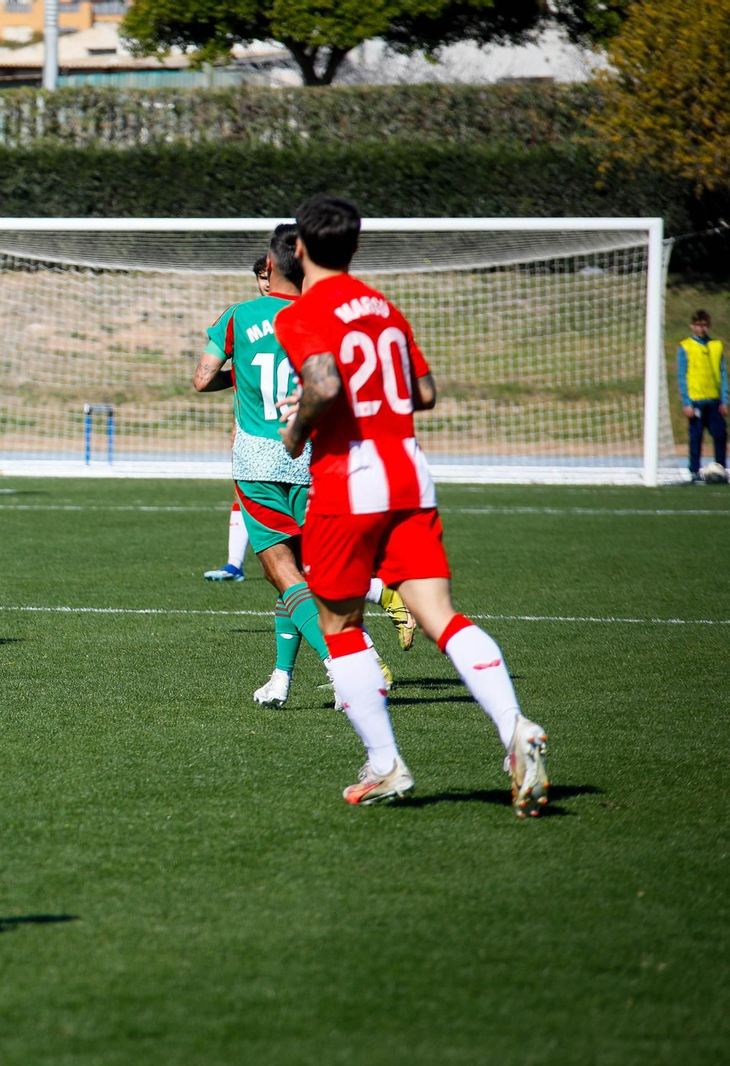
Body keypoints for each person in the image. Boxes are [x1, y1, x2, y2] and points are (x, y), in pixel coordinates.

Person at [274, 194, 549, 813]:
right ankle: (514, 727)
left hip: (351, 479)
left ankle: (385, 764)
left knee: (339, 625)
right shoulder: (385, 308)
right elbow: (422, 391)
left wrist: (298, 431)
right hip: (409, 474)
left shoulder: (303, 311)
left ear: (298, 249)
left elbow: (322, 382)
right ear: (355, 246)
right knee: (441, 616)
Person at [194, 225, 400, 708]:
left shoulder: (238, 317)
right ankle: (282, 677)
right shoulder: (325, 316)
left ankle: (351, 664)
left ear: (271, 266)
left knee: (285, 575)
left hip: (257, 462)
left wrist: (241, 371)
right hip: (314, 460)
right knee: (307, 575)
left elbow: (202, 379)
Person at [203, 257, 271, 581]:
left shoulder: (240, 317)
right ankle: (234, 563)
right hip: (261, 432)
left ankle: (378, 589)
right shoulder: (314, 315)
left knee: (287, 561)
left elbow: (202, 379)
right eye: (262, 277)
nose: (267, 282)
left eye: (271, 275)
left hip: (285, 436)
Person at [677, 310, 727, 482]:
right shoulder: (686, 347)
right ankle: (694, 471)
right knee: (696, 436)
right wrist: (686, 402)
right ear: (692, 326)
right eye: (698, 325)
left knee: (720, 434)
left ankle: (721, 468)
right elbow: (682, 376)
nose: (701, 328)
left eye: (704, 325)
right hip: (696, 400)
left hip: (714, 400)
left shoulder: (716, 345)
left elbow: (722, 373)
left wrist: (724, 400)